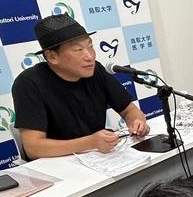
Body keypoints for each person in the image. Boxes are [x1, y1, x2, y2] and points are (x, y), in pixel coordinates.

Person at [12, 14, 149, 160]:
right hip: (55, 164)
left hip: (97, 159)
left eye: (90, 46)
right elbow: (34, 148)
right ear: (52, 57)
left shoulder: (96, 70)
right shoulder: (29, 83)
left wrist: (137, 122)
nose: (90, 56)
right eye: (78, 50)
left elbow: (129, 110)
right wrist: (90, 143)